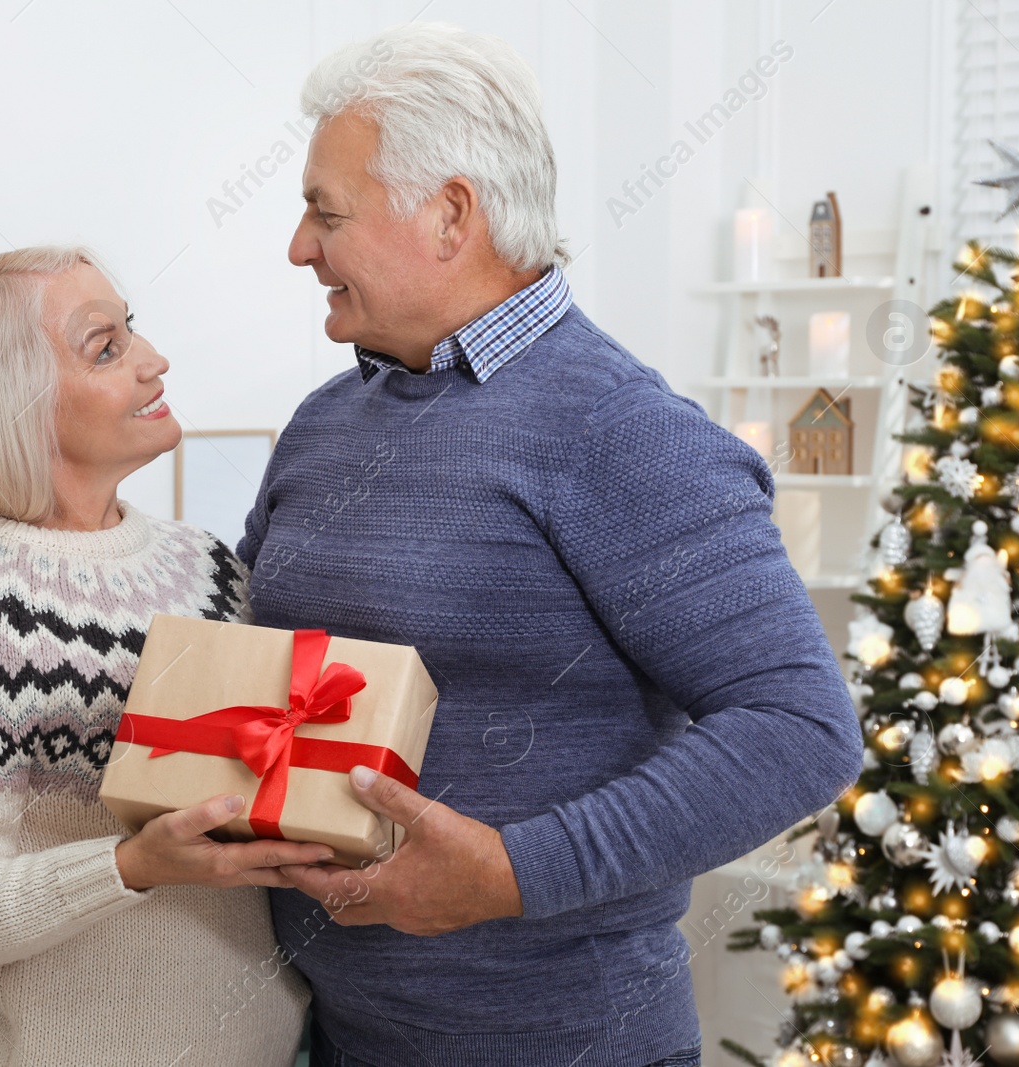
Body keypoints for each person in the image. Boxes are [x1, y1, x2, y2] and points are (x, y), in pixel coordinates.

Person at [236, 23, 865, 1067]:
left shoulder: (620, 431)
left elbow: (799, 727)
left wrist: (508, 869)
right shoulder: (322, 423)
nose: (300, 247)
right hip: (336, 1035)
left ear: (449, 213)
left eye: (324, 212)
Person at [0, 247, 322, 1066]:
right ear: (11, 402)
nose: (154, 361)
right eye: (105, 347)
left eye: (131, 330)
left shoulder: (207, 564)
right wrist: (130, 863)